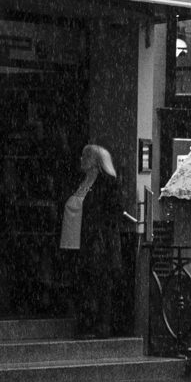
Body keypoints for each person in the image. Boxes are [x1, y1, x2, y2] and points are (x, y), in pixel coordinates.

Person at [61, 144, 123, 338]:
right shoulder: (79, 182)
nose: (81, 159)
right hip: (76, 241)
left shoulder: (108, 184)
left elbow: (112, 213)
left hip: (97, 242)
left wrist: (100, 235)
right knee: (83, 283)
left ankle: (98, 325)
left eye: (85, 156)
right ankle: (85, 322)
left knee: (98, 284)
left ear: (95, 161)